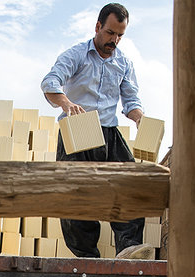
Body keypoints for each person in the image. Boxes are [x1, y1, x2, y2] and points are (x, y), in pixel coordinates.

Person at [41, 2, 145, 258]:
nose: (115, 40)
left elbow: (130, 101)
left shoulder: (123, 62)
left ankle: (128, 249)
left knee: (131, 186)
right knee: (74, 194)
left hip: (108, 132)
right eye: (110, 33)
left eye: (120, 35)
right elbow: (50, 82)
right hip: (77, 129)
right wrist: (66, 103)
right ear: (98, 27)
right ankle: (87, 258)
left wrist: (139, 117)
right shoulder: (76, 55)